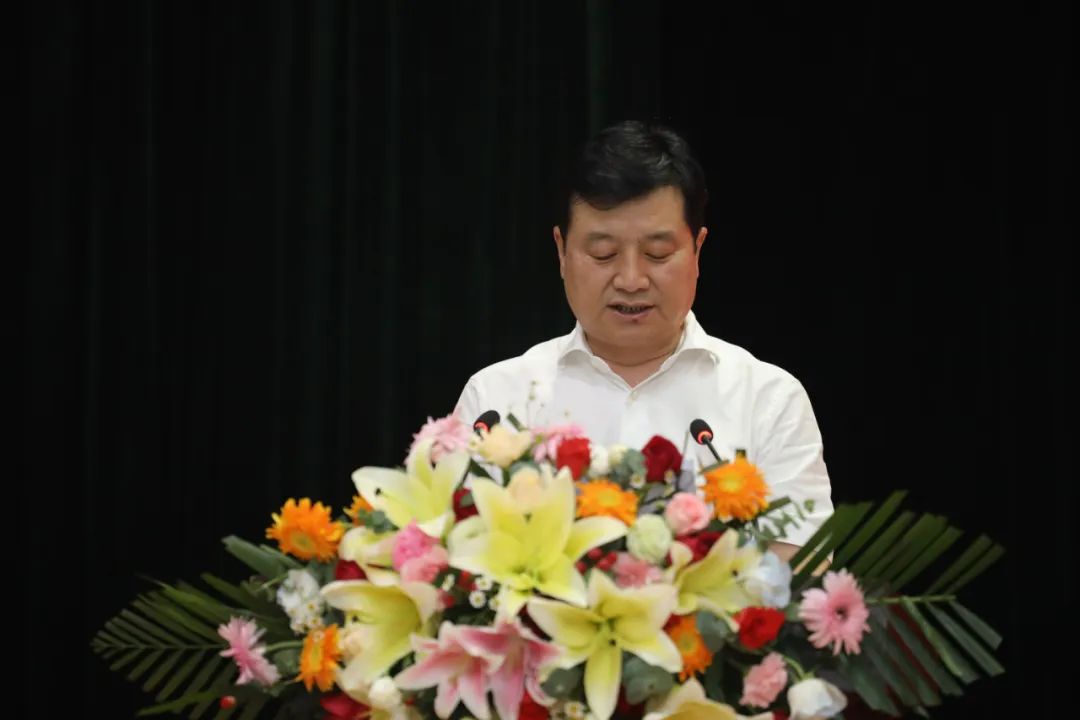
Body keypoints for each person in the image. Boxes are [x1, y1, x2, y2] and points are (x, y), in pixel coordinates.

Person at [454, 120, 833, 559]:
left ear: (698, 250)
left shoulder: (768, 400)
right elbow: (452, 563)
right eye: (603, 254)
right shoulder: (498, 400)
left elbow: (800, 575)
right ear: (561, 252)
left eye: (657, 254)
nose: (631, 280)